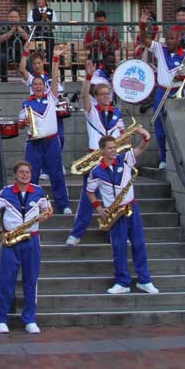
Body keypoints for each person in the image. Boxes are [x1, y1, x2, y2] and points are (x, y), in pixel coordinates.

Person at [0, 160, 52, 334]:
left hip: (32, 240)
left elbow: (48, 209)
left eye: (27, 172)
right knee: (6, 280)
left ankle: (29, 319)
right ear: (15, 174)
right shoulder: (6, 192)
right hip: (11, 240)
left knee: (31, 280)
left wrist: (47, 215)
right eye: (21, 172)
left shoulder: (38, 191)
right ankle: (1, 318)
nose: (25, 175)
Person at [87, 134, 158, 296]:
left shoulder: (125, 159)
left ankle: (144, 280)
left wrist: (146, 137)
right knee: (119, 248)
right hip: (114, 212)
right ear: (102, 150)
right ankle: (122, 281)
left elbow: (139, 149)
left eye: (114, 147)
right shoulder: (96, 171)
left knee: (139, 244)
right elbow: (90, 192)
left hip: (131, 208)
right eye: (110, 148)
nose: (113, 150)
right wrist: (99, 209)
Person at [66, 61, 125, 246]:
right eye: (103, 94)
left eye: (108, 94)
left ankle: (114, 231)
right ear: (97, 97)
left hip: (115, 158)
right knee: (87, 198)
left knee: (115, 199)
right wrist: (88, 77)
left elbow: (123, 136)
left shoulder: (118, 113)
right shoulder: (91, 111)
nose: (106, 97)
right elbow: (84, 94)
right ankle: (76, 234)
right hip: (95, 159)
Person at [18, 44, 71, 214]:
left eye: (41, 84)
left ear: (44, 86)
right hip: (34, 144)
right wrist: (23, 123)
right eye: (36, 85)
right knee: (31, 177)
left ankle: (63, 205)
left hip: (51, 142)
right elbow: (20, 124)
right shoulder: (26, 103)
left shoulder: (51, 98)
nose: (38, 86)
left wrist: (55, 59)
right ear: (32, 87)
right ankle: (30, 205)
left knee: (56, 175)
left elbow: (54, 79)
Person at [144, 27, 185, 170]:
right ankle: (163, 159)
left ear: (179, 39)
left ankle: (180, 159)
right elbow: (145, 40)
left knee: (178, 127)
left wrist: (183, 76)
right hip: (161, 92)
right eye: (167, 38)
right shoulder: (161, 50)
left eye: (172, 38)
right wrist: (142, 25)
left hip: (177, 93)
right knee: (160, 128)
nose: (169, 41)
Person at [0, 8, 28, 82]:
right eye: (11, 17)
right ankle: (4, 79)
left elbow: (27, 38)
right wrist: (12, 30)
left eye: (15, 17)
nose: (13, 19)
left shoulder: (24, 27)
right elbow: (0, 39)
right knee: (1, 58)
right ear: (8, 18)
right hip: (5, 52)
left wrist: (19, 28)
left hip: (20, 53)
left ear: (19, 18)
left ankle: (29, 80)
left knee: (28, 59)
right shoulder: (3, 27)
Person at [28, 0, 56, 66]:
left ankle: (48, 73)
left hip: (49, 37)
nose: (38, 1)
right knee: (37, 55)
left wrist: (47, 19)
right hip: (37, 36)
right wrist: (40, 20)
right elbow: (30, 26)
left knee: (49, 55)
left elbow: (55, 27)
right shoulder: (32, 11)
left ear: (45, 1)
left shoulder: (51, 11)